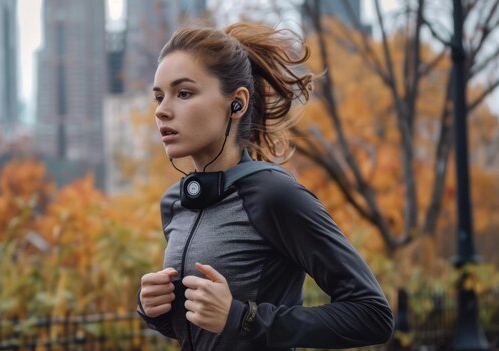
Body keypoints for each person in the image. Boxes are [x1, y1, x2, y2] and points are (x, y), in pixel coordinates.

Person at [137, 22, 394, 351]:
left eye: (183, 93)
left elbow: (372, 315)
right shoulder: (175, 202)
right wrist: (155, 309)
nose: (162, 110)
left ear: (237, 103)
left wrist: (244, 318)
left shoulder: (274, 195)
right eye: (159, 97)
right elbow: (209, 331)